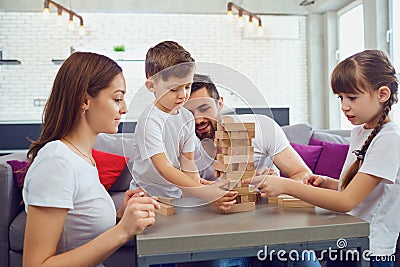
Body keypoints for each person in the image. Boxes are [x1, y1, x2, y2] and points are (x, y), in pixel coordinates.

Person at [244, 50, 399, 267]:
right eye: (341, 98)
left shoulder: (389, 139)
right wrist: (329, 183)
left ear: (382, 94)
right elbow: (363, 192)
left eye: (352, 98)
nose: (345, 106)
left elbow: (347, 202)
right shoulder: (361, 132)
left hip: (371, 249)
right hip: (349, 239)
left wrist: (286, 186)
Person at [22, 52, 160, 267]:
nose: (124, 109)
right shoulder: (56, 162)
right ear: (85, 100)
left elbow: (77, 233)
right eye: (117, 98)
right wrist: (122, 231)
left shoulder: (82, 157)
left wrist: (119, 216)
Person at [184, 74, 321, 267]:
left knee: (306, 264)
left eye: (204, 108)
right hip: (220, 231)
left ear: (220, 104)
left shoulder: (262, 128)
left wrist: (281, 185)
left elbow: (303, 176)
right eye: (189, 113)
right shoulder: (183, 147)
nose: (198, 120)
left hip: (273, 226)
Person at [129, 41, 236, 211]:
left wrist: (200, 188)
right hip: (147, 196)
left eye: (187, 86)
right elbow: (164, 168)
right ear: (151, 86)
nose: (183, 95)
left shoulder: (186, 116)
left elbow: (188, 163)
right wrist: (203, 191)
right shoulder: (150, 121)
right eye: (173, 89)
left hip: (175, 195)